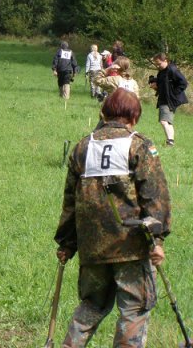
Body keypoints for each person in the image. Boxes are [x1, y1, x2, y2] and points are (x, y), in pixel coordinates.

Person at [54, 88, 171, 347]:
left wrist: (66, 243)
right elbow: (155, 195)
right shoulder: (139, 144)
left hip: (92, 245)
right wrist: (157, 239)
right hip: (131, 245)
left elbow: (70, 201)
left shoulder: (83, 147)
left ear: (105, 112)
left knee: (91, 306)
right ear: (134, 116)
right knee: (135, 310)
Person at [150, 53, 188, 146]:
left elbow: (183, 83)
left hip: (169, 99)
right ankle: (170, 140)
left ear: (165, 60)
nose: (157, 65)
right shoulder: (162, 71)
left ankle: (170, 141)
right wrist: (154, 82)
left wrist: (173, 94)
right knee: (167, 122)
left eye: (159, 63)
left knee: (164, 121)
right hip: (164, 98)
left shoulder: (172, 70)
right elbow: (163, 83)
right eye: (156, 64)